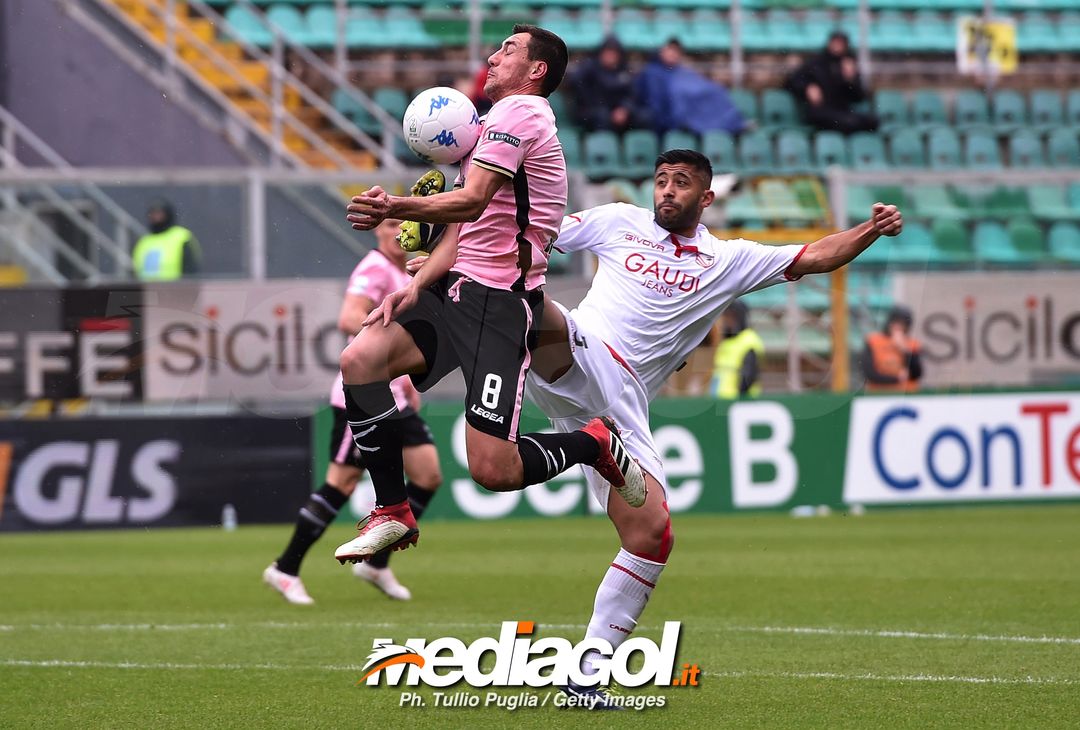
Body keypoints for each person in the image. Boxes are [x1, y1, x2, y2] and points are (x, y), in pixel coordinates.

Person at [407, 148, 903, 707]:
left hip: (619, 402)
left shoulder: (727, 260)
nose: (667, 191)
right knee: (522, 295)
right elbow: (534, 234)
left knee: (652, 534)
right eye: (662, 180)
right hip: (581, 351)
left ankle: (585, 676)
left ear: (706, 198)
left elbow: (814, 256)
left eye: (682, 183)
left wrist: (871, 229)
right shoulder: (619, 221)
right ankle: (418, 327)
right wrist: (454, 230)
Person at [336, 25, 646, 563]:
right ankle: (392, 510)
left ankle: (594, 442)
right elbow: (463, 236)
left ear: (536, 71)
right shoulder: (488, 128)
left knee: (492, 471)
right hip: (454, 290)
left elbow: (473, 202)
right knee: (360, 359)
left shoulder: (523, 114)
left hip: (500, 304)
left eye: (507, 50)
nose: (491, 56)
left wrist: (395, 207)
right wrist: (412, 288)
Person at [263, 219, 443, 605]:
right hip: (364, 398)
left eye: (403, 224)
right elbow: (349, 318)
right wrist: (388, 324)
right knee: (341, 484)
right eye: (391, 223)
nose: (397, 231)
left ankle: (376, 564)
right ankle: (285, 568)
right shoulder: (374, 266)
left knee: (428, 475)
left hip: (396, 395)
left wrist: (409, 380)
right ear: (378, 230)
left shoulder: (406, 271)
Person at [635, 38, 746, 136]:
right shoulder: (653, 72)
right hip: (671, 113)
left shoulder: (683, 71)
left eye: (676, 51)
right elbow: (656, 99)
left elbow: (700, 85)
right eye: (670, 50)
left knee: (716, 93)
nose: (673, 54)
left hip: (694, 102)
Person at [784, 31, 879, 135]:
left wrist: (850, 80)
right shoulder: (816, 63)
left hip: (841, 111)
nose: (837, 46)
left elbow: (859, 97)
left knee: (872, 121)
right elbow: (791, 81)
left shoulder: (848, 65)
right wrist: (807, 87)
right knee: (847, 122)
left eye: (841, 44)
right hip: (820, 110)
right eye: (835, 42)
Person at [566, 36, 649, 134]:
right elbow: (575, 83)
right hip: (594, 110)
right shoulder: (590, 68)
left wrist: (625, 109)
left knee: (645, 117)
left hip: (620, 111)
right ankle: (604, 147)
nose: (610, 56)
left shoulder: (625, 70)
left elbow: (632, 94)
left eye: (614, 53)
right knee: (602, 117)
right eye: (607, 52)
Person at [132, 199, 201, 281]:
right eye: (153, 214)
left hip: (174, 291)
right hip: (147, 292)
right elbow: (135, 272)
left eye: (159, 213)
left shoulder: (182, 237)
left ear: (168, 215)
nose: (156, 217)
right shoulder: (143, 242)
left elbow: (191, 272)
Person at [861, 305, 922, 392]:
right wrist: (897, 378)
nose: (898, 327)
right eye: (895, 323)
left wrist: (904, 349)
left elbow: (917, 373)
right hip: (878, 394)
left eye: (902, 324)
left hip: (906, 394)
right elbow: (869, 373)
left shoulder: (912, 344)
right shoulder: (874, 341)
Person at [710, 300, 764, 398]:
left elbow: (748, 376)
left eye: (730, 317)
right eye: (724, 316)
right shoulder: (726, 342)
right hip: (720, 404)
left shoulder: (749, 340)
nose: (726, 321)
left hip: (739, 405)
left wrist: (739, 401)